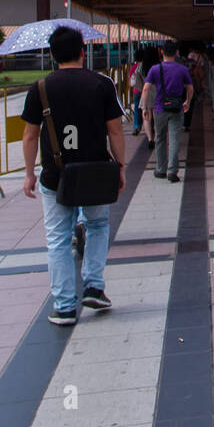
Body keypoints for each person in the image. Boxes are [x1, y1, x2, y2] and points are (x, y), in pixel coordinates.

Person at [21, 25, 126, 325]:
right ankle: (93, 285)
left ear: (53, 56)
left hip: (56, 175)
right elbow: (115, 130)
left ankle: (65, 306)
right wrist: (120, 167)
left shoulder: (39, 89)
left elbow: (30, 135)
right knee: (97, 225)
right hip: (95, 173)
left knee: (57, 239)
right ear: (83, 51)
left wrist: (30, 173)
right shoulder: (102, 84)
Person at [141, 40, 194, 183]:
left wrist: (145, 107)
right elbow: (190, 88)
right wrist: (187, 102)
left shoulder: (154, 69)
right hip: (177, 108)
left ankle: (161, 169)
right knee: (175, 139)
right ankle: (172, 171)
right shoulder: (182, 69)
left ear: (162, 52)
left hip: (159, 108)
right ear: (176, 52)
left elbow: (145, 89)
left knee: (160, 139)